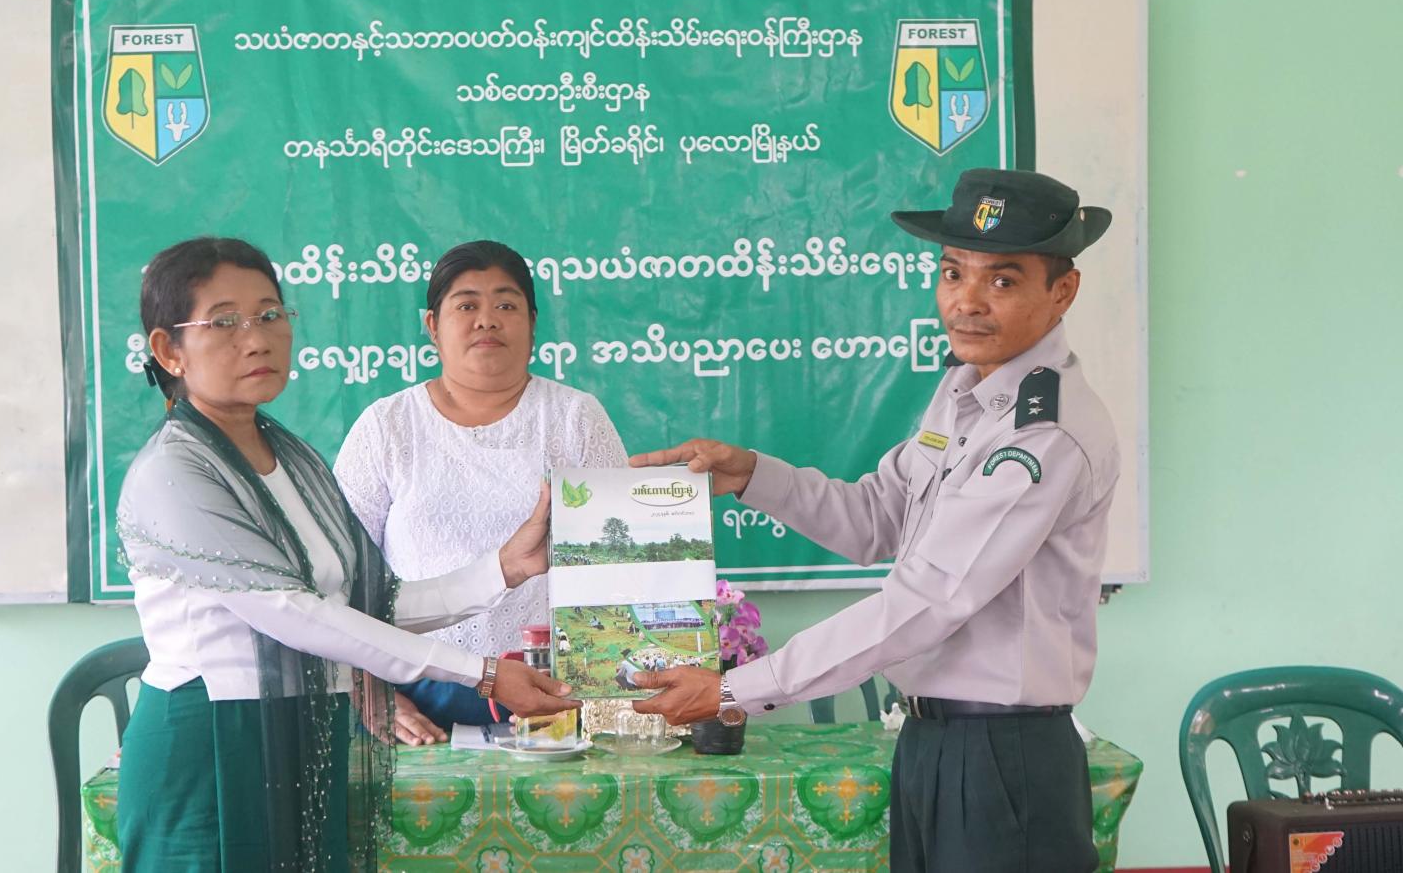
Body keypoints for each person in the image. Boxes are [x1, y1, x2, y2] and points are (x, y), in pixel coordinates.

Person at [632, 169, 1119, 872]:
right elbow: (875, 518)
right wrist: (750, 476)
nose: (967, 301)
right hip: (933, 742)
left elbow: (929, 599)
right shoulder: (963, 393)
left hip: (1002, 755)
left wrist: (737, 688)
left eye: (1002, 281)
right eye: (952, 274)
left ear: (1063, 291)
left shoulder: (1043, 431)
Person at [114, 237, 579, 872]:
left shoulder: (291, 458)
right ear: (169, 350)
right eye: (224, 323)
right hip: (211, 742)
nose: (257, 339)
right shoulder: (174, 469)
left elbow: (367, 602)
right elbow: (296, 614)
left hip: (300, 735)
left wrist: (507, 568)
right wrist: (482, 672)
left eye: (270, 315)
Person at [335, 240, 627, 745]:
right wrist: (370, 691)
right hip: (414, 698)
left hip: (556, 694)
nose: (487, 320)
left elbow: (623, 566)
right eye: (466, 305)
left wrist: (598, 688)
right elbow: (340, 580)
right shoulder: (386, 426)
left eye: (506, 305)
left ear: (532, 323)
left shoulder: (576, 418)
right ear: (433, 326)